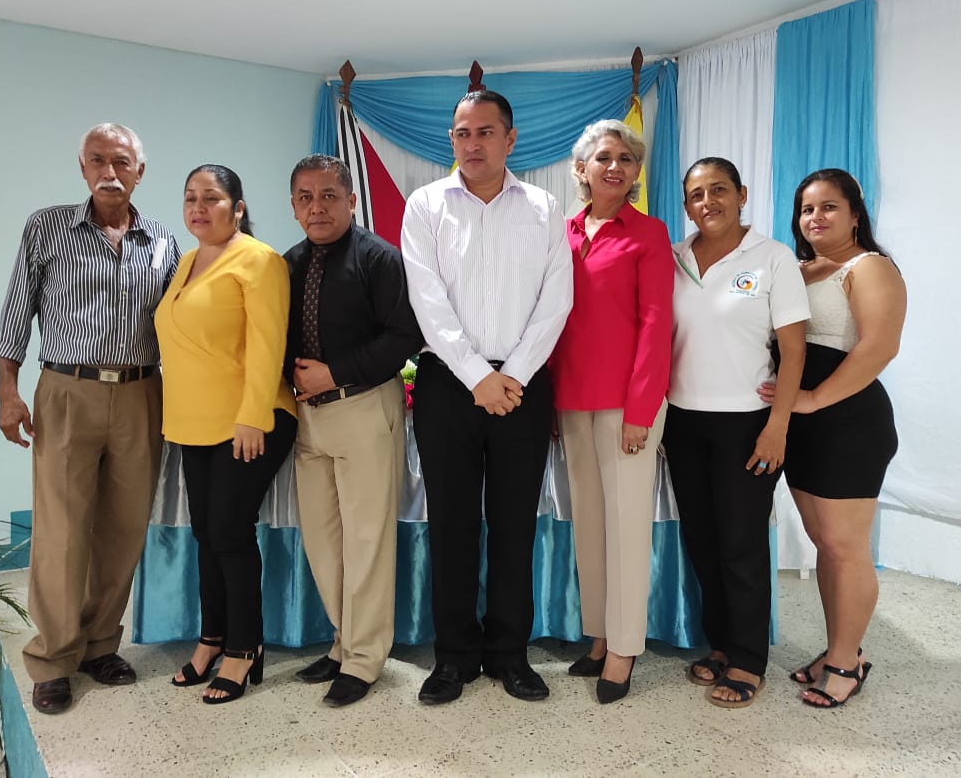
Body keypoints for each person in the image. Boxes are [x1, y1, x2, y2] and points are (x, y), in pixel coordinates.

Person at [0, 122, 180, 715]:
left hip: (141, 393)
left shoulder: (163, 240)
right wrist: (7, 392)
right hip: (67, 391)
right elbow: (16, 311)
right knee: (61, 530)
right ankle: (53, 658)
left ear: (140, 172)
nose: (109, 172)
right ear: (82, 168)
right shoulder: (46, 227)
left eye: (121, 161)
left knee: (124, 529)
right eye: (97, 160)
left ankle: (100, 645)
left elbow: (179, 325)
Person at [401, 89, 573, 705]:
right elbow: (426, 298)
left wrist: (514, 374)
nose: (471, 144)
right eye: (461, 133)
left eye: (484, 132)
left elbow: (557, 298)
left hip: (523, 385)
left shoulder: (543, 207)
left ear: (510, 138)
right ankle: (453, 657)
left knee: (513, 526)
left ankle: (509, 655)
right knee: (450, 526)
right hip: (449, 383)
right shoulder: (425, 205)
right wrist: (477, 375)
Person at [662, 157, 809, 708]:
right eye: (697, 195)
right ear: (686, 205)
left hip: (747, 423)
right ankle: (722, 643)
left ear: (741, 194)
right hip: (683, 421)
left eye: (719, 190)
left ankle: (748, 659)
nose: (709, 203)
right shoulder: (674, 257)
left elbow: (793, 350)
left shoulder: (772, 258)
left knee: (741, 543)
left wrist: (778, 427)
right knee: (703, 541)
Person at [757, 169, 905, 708]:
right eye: (806, 209)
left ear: (855, 214)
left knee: (846, 547)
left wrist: (815, 399)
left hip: (849, 423)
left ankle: (846, 663)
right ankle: (840, 649)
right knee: (826, 545)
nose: (815, 217)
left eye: (828, 207)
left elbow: (879, 346)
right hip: (802, 425)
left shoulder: (869, 267)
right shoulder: (797, 270)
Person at [283, 154, 422, 707]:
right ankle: (343, 642)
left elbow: (404, 336)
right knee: (324, 541)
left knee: (367, 541)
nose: (317, 207)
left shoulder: (379, 258)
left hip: (363, 407)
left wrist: (334, 373)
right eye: (305, 197)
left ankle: (364, 659)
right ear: (293, 206)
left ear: (351, 200)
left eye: (328, 196)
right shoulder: (288, 263)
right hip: (308, 419)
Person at [156, 164, 296, 705]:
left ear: (237, 208)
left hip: (250, 417)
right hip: (195, 420)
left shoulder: (259, 260)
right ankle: (211, 637)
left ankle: (244, 646)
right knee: (205, 533)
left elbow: (267, 342)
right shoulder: (186, 261)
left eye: (211, 198)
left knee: (230, 532)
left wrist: (253, 414)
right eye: (190, 197)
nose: (198, 207)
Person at [548, 120, 673, 704]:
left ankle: (624, 648)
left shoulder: (649, 233)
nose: (615, 166)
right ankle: (599, 635)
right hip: (572, 399)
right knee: (591, 525)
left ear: (636, 171)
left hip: (629, 403)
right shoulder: (563, 231)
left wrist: (642, 410)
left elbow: (656, 323)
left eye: (626, 158)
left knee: (625, 527)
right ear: (582, 168)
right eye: (603, 157)